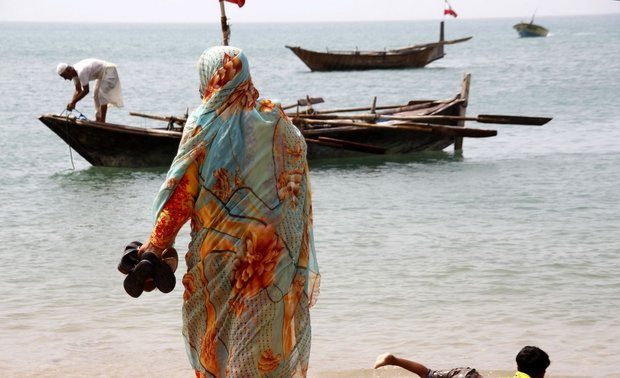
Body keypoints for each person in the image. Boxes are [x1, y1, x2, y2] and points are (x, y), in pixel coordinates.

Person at [131, 46, 320, 377]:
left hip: (215, 263)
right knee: (259, 353)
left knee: (214, 348)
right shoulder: (276, 118)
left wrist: (154, 247)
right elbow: (297, 158)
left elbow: (180, 198)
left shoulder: (203, 123)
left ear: (208, 78)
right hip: (271, 262)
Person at [374, 346, 550, 378]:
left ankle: (393, 360)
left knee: (427, 374)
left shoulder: (518, 375)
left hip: (465, 373)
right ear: (540, 373)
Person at [56, 58, 123, 122]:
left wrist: (74, 102)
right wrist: (72, 102)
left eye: (64, 76)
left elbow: (86, 90)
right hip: (101, 75)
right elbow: (78, 90)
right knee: (95, 95)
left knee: (102, 95)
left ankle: (102, 121)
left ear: (69, 71)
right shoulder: (75, 75)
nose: (65, 79)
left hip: (109, 71)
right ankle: (98, 119)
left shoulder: (81, 71)